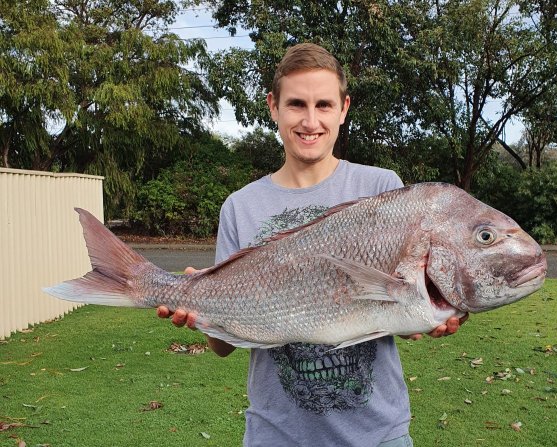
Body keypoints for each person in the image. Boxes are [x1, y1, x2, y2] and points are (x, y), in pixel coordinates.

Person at [157, 42, 466, 446]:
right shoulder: (240, 207)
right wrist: (198, 311)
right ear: (273, 106)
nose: (310, 120)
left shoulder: (383, 189)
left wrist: (434, 312)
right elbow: (222, 347)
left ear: (343, 108)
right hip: (276, 435)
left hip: (377, 436)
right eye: (296, 104)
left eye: (323, 105)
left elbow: (398, 317)